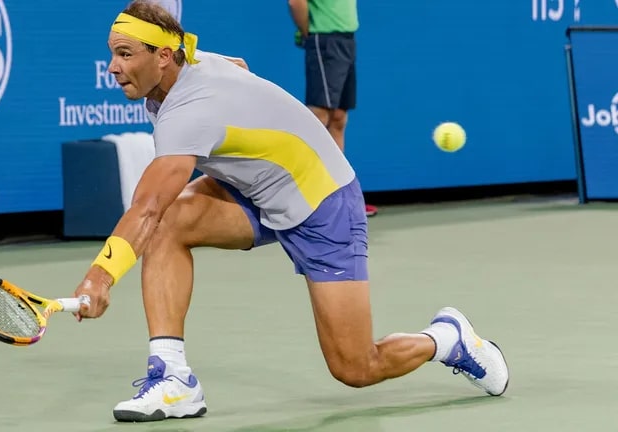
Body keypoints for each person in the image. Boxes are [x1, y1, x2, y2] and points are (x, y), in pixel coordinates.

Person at [72, 0, 509, 423]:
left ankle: (447, 340)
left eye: (125, 54)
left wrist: (101, 277)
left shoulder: (187, 112)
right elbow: (238, 65)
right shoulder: (183, 63)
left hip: (322, 202)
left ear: (164, 57)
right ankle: (173, 378)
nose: (112, 67)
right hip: (254, 190)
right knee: (170, 222)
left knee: (356, 366)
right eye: (113, 54)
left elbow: (146, 206)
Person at [288, 0, 378, 218]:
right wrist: (309, 33)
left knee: (338, 117)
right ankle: (299, 197)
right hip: (325, 40)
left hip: (346, 39)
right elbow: (296, 2)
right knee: (319, 116)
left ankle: (339, 198)